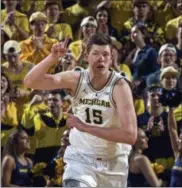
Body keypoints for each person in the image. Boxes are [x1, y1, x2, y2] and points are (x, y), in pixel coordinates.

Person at [24, 33, 137, 187]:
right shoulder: (76, 79)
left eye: (105, 54)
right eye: (96, 54)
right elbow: (30, 81)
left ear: (111, 58)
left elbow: (130, 135)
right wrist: (52, 58)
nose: (101, 59)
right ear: (86, 56)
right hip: (81, 158)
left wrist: (86, 127)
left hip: (113, 162)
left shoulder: (120, 86)